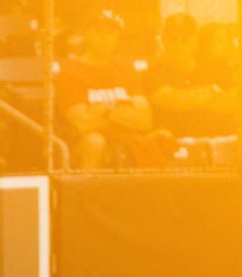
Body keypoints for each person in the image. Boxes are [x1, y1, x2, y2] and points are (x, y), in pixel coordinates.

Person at [56, 9, 174, 169]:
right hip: (83, 147)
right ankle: (88, 193)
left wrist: (106, 110)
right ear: (88, 34)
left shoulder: (125, 69)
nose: (104, 38)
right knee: (95, 141)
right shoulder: (70, 72)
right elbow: (82, 124)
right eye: (98, 31)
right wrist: (123, 111)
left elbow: (145, 120)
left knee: (164, 137)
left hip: (126, 139)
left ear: (117, 37)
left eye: (110, 32)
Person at [146, 14, 238, 137]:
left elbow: (232, 102)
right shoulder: (154, 72)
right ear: (164, 41)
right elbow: (170, 101)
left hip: (220, 141)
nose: (178, 45)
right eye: (172, 39)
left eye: (185, 39)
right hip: (175, 145)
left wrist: (187, 98)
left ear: (196, 41)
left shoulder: (216, 67)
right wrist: (210, 92)